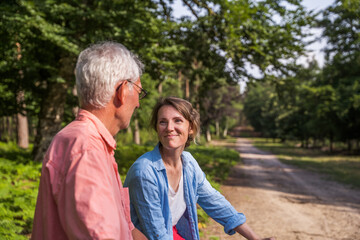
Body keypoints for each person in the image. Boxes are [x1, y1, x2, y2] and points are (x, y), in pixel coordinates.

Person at [32, 41, 147, 240]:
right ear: (121, 91)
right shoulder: (87, 148)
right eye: (138, 91)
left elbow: (125, 228)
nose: (138, 103)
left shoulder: (84, 141)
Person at [124, 97, 275, 240]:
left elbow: (215, 202)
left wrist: (255, 238)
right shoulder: (144, 172)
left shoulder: (188, 163)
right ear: (157, 128)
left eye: (177, 121)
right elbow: (156, 234)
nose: (170, 128)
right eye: (163, 122)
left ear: (190, 127)